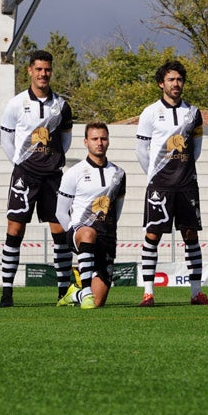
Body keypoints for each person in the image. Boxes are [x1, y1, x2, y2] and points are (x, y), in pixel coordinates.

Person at [0, 50, 74, 307]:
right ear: (30, 71)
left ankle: (63, 291)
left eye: (47, 70)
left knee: (59, 230)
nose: (43, 74)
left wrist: (54, 160)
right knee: (15, 229)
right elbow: (6, 138)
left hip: (53, 176)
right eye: (39, 69)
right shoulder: (16, 103)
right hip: (25, 175)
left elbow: (65, 139)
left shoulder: (61, 105)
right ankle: (7, 292)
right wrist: (20, 164)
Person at [135, 59, 208, 306]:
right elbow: (141, 150)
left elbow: (196, 149)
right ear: (161, 83)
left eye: (179, 79)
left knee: (190, 235)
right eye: (171, 79)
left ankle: (196, 293)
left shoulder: (193, 112)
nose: (176, 84)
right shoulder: (150, 112)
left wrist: (183, 169)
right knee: (153, 235)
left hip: (187, 184)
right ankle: (148, 293)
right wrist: (157, 176)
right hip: (160, 185)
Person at [55, 123, 126, 309]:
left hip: (106, 238)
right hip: (80, 232)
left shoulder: (118, 174)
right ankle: (85, 291)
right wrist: (73, 233)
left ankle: (74, 294)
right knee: (88, 233)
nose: (99, 143)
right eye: (95, 139)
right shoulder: (74, 173)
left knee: (97, 302)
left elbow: (116, 210)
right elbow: (60, 211)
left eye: (103, 138)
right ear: (86, 142)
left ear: (108, 141)